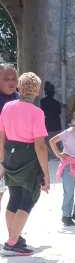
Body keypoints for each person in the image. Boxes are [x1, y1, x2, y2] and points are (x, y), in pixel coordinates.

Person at [0, 72, 50, 255]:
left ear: (19, 88)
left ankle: (14, 237)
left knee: (14, 198)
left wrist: (3, 161)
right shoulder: (37, 113)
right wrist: (46, 173)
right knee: (27, 200)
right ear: (37, 91)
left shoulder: (7, 107)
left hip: (10, 155)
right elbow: (40, 146)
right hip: (29, 158)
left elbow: (1, 137)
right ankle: (12, 243)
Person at [49, 110, 75, 226]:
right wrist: (58, 154)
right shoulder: (68, 132)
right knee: (69, 191)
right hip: (68, 165)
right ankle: (66, 216)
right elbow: (52, 141)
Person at [0, 64, 18, 212]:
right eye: (6, 79)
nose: (11, 82)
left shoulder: (20, 99)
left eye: (14, 79)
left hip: (14, 153)